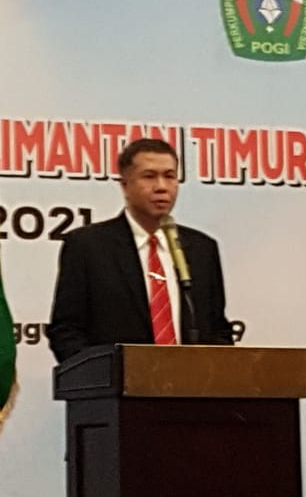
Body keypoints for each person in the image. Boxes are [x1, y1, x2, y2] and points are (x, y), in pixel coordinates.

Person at [46, 138, 233, 362]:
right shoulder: (88, 246)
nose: (161, 187)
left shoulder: (202, 249)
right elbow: (66, 331)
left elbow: (218, 329)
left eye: (170, 176)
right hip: (117, 381)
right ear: (125, 184)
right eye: (149, 176)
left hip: (190, 381)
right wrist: (103, 374)